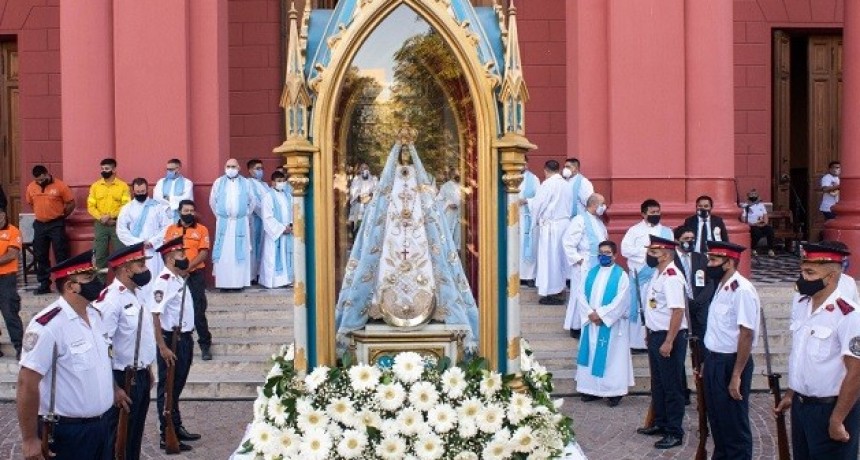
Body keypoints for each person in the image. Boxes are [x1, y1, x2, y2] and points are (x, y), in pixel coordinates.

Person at [335, 142, 479, 350]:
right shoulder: (386, 194)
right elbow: (373, 231)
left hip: (418, 244)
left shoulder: (423, 197)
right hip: (391, 247)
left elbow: (435, 228)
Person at [16, 250, 131, 460]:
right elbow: (27, 383)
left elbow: (102, 361)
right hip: (68, 432)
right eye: (89, 278)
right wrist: (29, 439)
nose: (97, 282)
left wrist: (113, 389)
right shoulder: (48, 326)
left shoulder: (96, 315)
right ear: (70, 286)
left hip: (103, 425)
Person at [774, 243, 860, 459]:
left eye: (810, 272)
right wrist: (792, 393)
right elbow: (802, 357)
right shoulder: (803, 305)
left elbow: (856, 372)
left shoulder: (848, 315)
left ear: (830, 277)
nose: (802, 278)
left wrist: (837, 419)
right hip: (802, 407)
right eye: (802, 271)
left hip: (831, 408)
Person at [96, 243, 157, 460]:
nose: (145, 270)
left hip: (139, 374)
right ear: (124, 268)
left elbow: (139, 338)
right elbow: (103, 346)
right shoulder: (111, 299)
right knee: (117, 438)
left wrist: (147, 368)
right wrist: (112, 387)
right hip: (121, 378)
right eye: (140, 265)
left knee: (134, 435)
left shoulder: (136, 294)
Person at [701, 241, 760, 459]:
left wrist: (736, 374)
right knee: (718, 420)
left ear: (729, 263)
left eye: (714, 260)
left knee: (734, 424)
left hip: (732, 363)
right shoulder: (721, 286)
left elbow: (746, 333)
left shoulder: (742, 289)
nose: (709, 264)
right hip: (715, 360)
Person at [635, 235, 688, 449]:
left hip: (670, 336)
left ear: (666, 254)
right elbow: (655, 306)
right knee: (658, 384)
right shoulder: (659, 274)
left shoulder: (673, 277)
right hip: (657, 334)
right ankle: (661, 422)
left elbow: (677, 311)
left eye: (654, 252)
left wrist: (668, 341)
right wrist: (650, 331)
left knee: (672, 385)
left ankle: (674, 431)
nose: (650, 255)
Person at [152, 237, 200, 452]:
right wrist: (162, 347)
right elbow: (155, 314)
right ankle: (166, 433)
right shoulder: (164, 281)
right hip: (172, 339)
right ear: (170, 258)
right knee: (168, 389)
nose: (185, 257)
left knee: (177, 386)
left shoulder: (178, 278)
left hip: (185, 338)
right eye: (181, 254)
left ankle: (176, 426)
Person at [575, 240, 633, 407]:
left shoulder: (621, 275)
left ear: (615, 255)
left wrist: (601, 315)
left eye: (607, 253)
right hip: (591, 323)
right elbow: (580, 295)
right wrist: (589, 314)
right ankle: (591, 389)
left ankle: (613, 392)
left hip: (611, 325)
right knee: (591, 354)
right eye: (601, 253)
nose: (603, 256)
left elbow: (621, 300)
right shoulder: (590, 273)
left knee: (611, 357)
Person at [621, 199, 673, 351]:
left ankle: (654, 340)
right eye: (652, 213)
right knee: (638, 307)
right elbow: (625, 250)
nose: (656, 215)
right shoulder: (634, 231)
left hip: (658, 277)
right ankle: (636, 343)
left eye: (658, 212)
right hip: (639, 277)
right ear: (643, 214)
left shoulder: (667, 232)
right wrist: (647, 253)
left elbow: (669, 253)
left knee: (655, 307)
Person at [164, 200, 212, 361]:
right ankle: (177, 344)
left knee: (198, 310)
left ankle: (205, 345)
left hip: (195, 274)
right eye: (186, 210)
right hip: (175, 276)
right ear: (179, 211)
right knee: (175, 309)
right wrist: (177, 270)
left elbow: (203, 253)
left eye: (192, 210)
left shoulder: (202, 229)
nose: (189, 213)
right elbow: (167, 253)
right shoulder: (171, 230)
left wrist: (188, 268)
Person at [116, 178, 173, 299]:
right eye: (138, 191)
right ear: (133, 191)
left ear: (147, 190)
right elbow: (121, 230)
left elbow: (167, 226)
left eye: (143, 191)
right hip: (135, 251)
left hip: (153, 251)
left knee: (155, 279)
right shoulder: (127, 208)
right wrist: (138, 243)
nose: (140, 193)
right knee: (137, 279)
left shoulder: (157, 207)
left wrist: (152, 242)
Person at [562, 193, 608, 338]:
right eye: (602, 204)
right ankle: (576, 325)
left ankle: (590, 321)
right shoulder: (580, 220)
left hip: (598, 262)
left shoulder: (598, 222)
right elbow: (568, 242)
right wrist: (578, 259)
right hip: (585, 262)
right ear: (594, 205)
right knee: (580, 294)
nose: (604, 207)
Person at [26, 165, 75, 295]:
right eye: (38, 180)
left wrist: (62, 215)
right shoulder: (31, 187)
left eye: (42, 179)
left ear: (47, 174)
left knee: (61, 253)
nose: (40, 182)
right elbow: (31, 203)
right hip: (40, 224)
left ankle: (63, 283)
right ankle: (44, 284)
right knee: (40, 254)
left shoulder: (60, 185)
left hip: (56, 223)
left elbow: (70, 203)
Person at [530, 160, 573, 305]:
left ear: (545, 170)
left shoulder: (547, 184)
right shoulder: (566, 184)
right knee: (560, 259)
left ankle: (554, 291)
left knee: (551, 260)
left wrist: (534, 221)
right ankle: (559, 289)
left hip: (551, 226)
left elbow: (538, 205)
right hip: (564, 224)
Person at [209, 158, 256, 291]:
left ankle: (238, 283)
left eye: (233, 166)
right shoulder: (218, 182)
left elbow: (252, 201)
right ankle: (223, 284)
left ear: (239, 168)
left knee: (239, 252)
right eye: (228, 166)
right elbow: (213, 201)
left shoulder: (246, 183)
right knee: (224, 253)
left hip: (240, 222)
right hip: (224, 223)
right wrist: (221, 216)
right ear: (225, 167)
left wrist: (244, 214)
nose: (231, 169)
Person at [673, 226, 716, 343]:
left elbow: (710, 282)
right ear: (677, 241)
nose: (690, 241)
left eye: (692, 238)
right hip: (680, 307)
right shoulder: (671, 259)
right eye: (686, 238)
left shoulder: (701, 258)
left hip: (700, 307)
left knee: (702, 343)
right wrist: (686, 301)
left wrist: (699, 301)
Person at [87, 158, 130, 276]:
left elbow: (126, 205)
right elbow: (90, 206)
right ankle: (101, 284)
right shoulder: (95, 186)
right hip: (100, 224)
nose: (104, 171)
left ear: (114, 169)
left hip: (117, 223)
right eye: (102, 169)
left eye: (107, 169)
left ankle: (122, 281)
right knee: (100, 255)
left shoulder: (123, 186)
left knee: (121, 254)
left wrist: (111, 216)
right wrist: (101, 218)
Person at [259, 171, 294, 289]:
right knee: (274, 256)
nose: (282, 183)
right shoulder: (268, 197)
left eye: (283, 181)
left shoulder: (288, 196)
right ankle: (276, 281)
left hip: (288, 231)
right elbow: (267, 217)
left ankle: (288, 279)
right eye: (279, 181)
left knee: (288, 256)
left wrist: (291, 225)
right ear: (273, 182)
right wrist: (281, 229)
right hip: (276, 232)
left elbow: (293, 212)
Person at [0, 209, 23, 359]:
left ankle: (20, 348)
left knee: (10, 313)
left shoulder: (13, 231)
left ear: (4, 215)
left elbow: (12, 254)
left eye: (0, 215)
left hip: (6, 278)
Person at [246, 159, 268, 283]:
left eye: (261, 169)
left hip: (265, 221)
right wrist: (265, 213)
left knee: (263, 247)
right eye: (257, 168)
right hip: (255, 220)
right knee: (253, 247)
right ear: (250, 170)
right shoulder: (248, 183)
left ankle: (260, 273)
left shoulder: (265, 185)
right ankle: (252, 275)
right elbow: (254, 202)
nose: (260, 171)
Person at [519, 161, 540, 286]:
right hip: (512, 218)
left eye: (523, 163)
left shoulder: (534, 179)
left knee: (528, 246)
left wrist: (527, 201)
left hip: (527, 217)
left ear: (527, 164)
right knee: (514, 247)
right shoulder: (508, 177)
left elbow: (539, 198)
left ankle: (529, 276)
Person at [740, 189, 776, 256]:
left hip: (761, 224)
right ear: (748, 196)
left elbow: (765, 216)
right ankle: (753, 249)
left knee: (770, 230)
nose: (753, 196)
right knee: (757, 233)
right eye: (752, 194)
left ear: (758, 196)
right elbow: (743, 219)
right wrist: (753, 224)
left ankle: (770, 249)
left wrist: (764, 223)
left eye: (755, 194)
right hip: (751, 225)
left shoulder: (761, 205)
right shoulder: (745, 206)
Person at [348, 163, 378, 236]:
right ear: (360, 170)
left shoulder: (374, 179)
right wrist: (359, 198)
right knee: (358, 226)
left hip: (370, 203)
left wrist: (370, 197)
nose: (364, 169)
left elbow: (377, 190)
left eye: (366, 168)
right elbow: (353, 191)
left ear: (369, 169)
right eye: (362, 168)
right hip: (358, 203)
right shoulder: (356, 179)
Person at [436, 168, 462, 249]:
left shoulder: (462, 185)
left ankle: (457, 256)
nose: (458, 176)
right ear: (451, 175)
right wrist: (448, 204)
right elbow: (438, 200)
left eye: (458, 174)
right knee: (448, 236)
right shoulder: (445, 186)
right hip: (449, 215)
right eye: (456, 174)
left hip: (460, 215)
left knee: (458, 237)